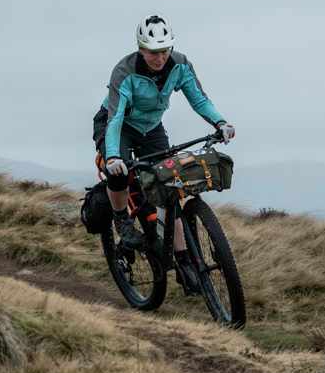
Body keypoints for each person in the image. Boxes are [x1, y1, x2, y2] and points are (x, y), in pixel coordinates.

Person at [93, 15, 235, 256]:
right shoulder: (124, 71)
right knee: (119, 174)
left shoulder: (180, 65)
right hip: (118, 125)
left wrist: (220, 122)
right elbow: (115, 119)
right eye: (153, 52)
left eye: (164, 51)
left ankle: (182, 259)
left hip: (150, 127)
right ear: (141, 49)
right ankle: (122, 220)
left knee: (167, 183)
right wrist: (114, 157)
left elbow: (199, 100)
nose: (160, 58)